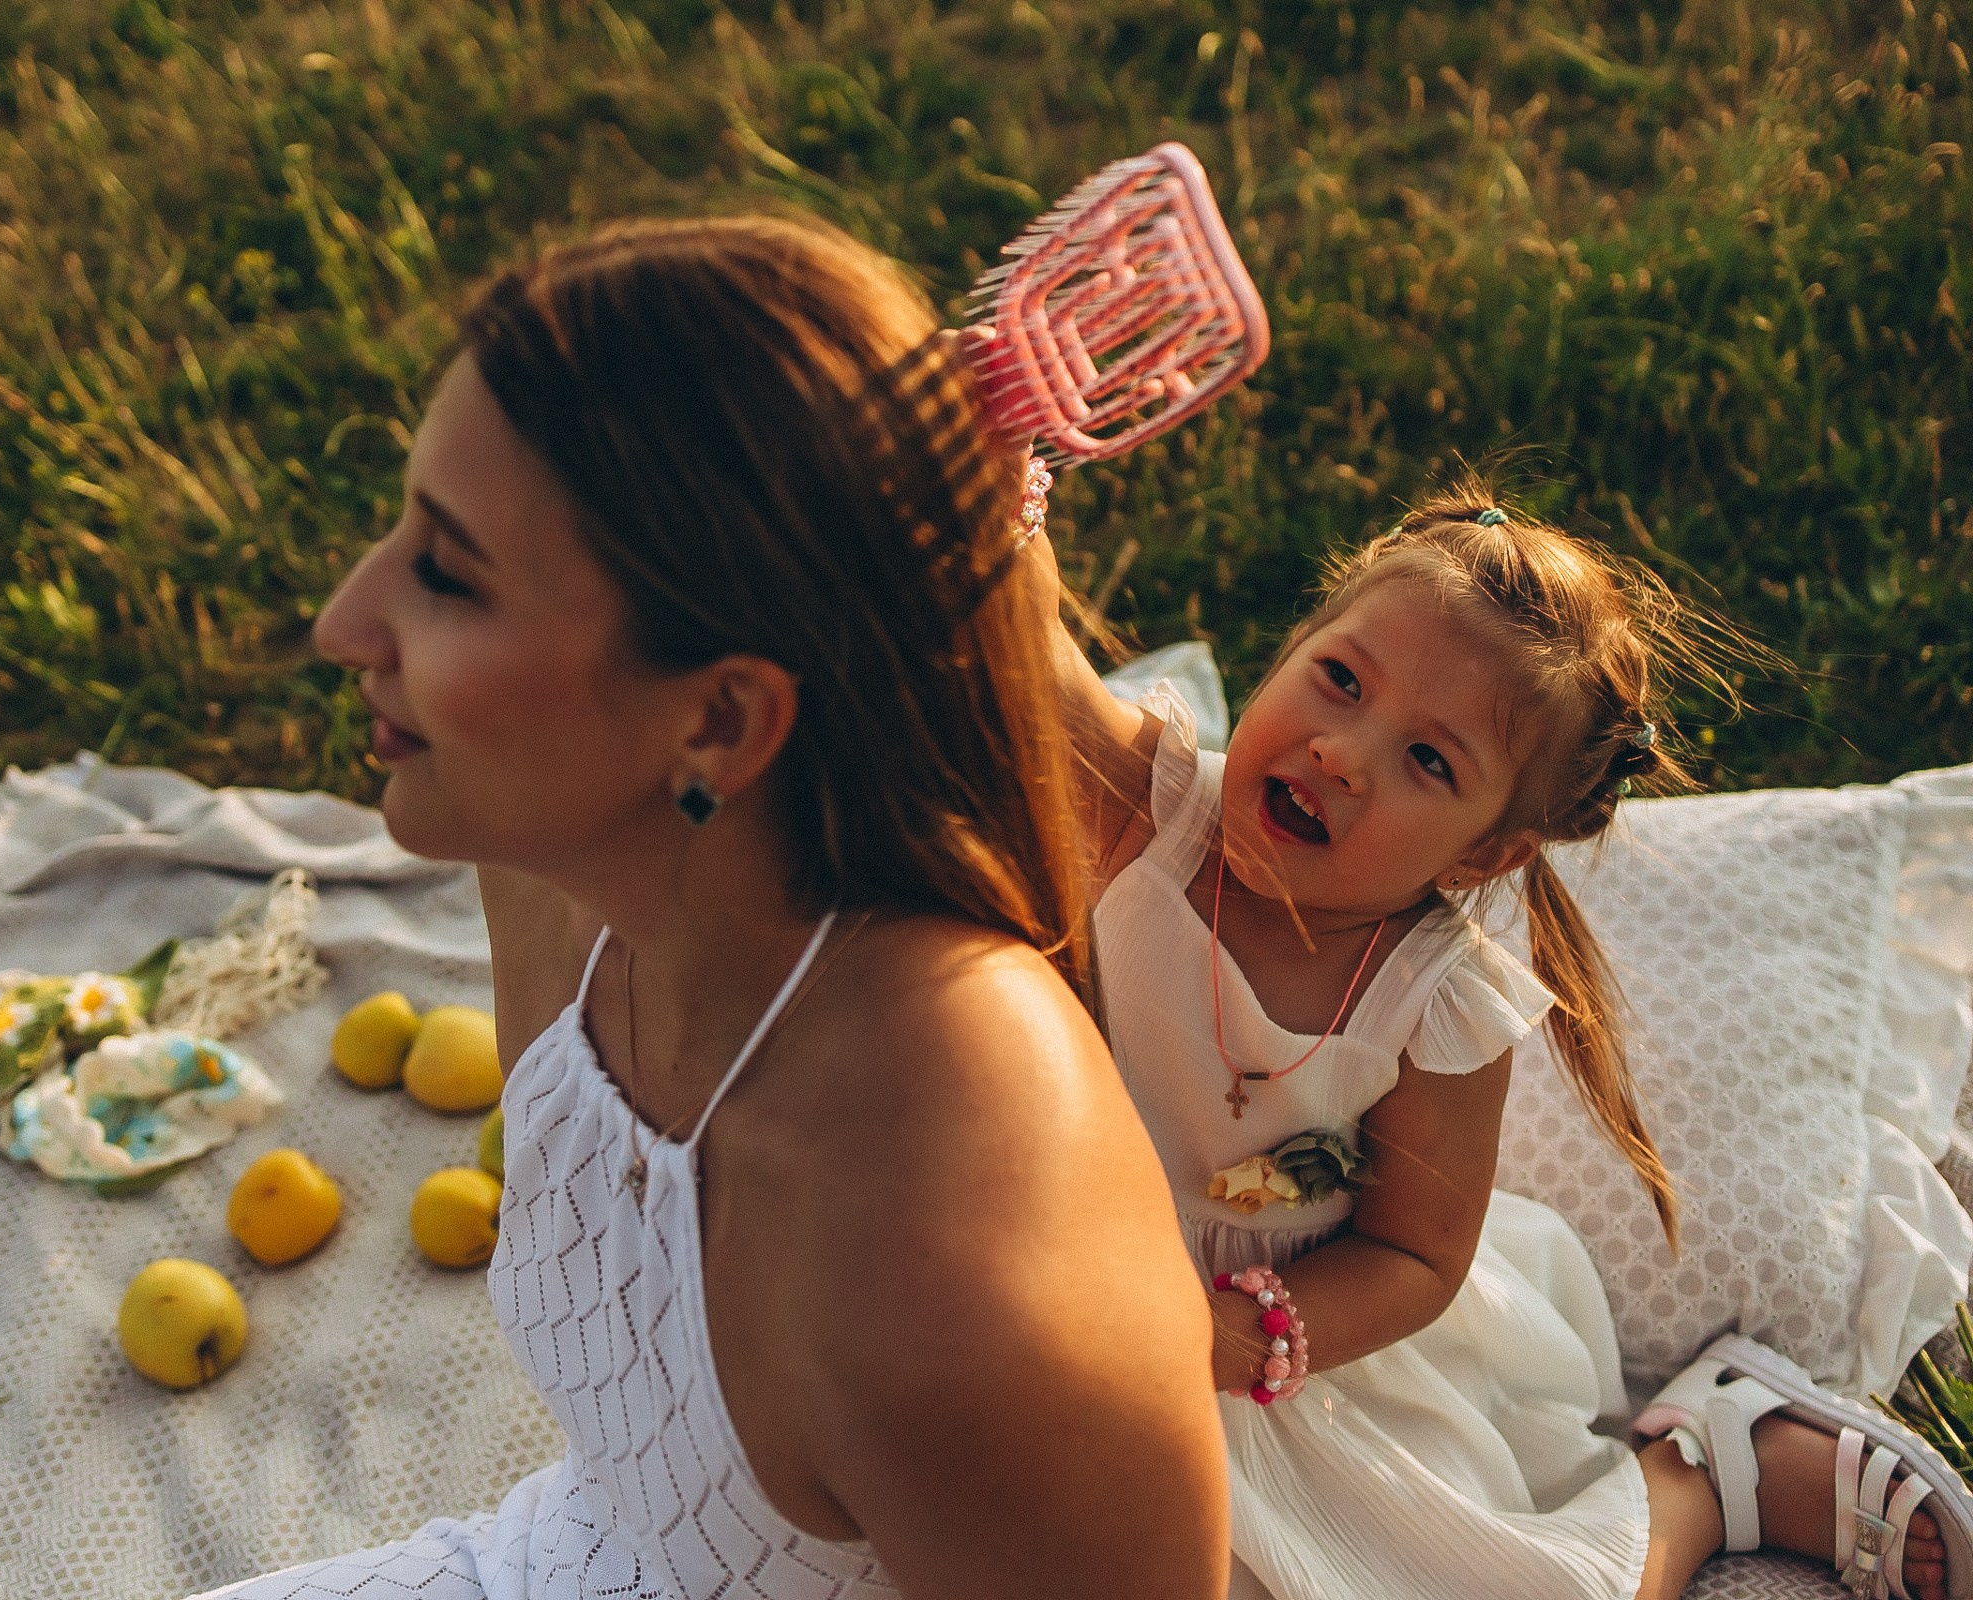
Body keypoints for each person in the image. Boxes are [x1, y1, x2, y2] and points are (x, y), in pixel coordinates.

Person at [200, 215, 1230, 1600]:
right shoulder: (574, 868)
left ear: (723, 719)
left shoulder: (949, 1263)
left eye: (448, 572)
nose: (343, 618)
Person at [1047, 487, 1955, 1600]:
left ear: (1482, 857)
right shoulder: (1148, 807)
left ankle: (1711, 1470)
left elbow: (1416, 1253)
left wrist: (1242, 1338)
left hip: (1276, 1350)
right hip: (1061, 1272)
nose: (1341, 752)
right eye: (1340, 678)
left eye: (1429, 760)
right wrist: (1005, 486)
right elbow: (1008, 642)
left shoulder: (1434, 1003)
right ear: (1293, 645)